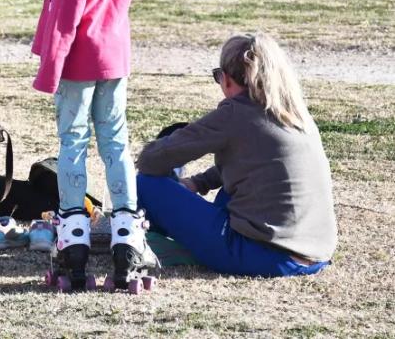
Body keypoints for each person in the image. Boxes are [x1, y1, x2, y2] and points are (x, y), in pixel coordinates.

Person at [30, 0, 167, 291]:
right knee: (115, 142)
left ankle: (74, 241)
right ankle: (128, 236)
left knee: (72, 140)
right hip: (114, 50)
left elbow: (70, 3)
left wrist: (52, 61)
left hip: (80, 53)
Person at [136, 33, 337, 277]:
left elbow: (151, 161)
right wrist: (198, 183)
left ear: (228, 80)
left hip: (265, 255)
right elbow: (251, 165)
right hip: (314, 253)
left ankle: (143, 234)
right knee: (228, 192)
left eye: (218, 76)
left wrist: (169, 158)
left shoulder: (236, 113)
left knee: (145, 184)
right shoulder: (294, 113)